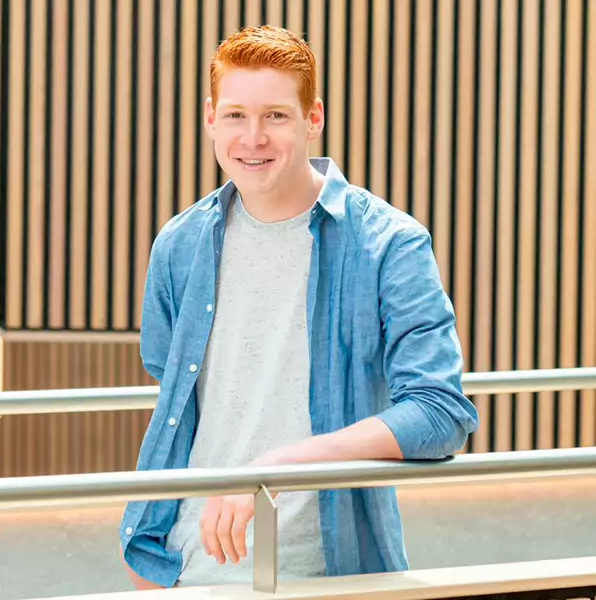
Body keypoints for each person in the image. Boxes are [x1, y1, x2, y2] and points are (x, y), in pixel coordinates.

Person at [119, 25, 479, 590]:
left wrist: (281, 464)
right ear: (211, 118)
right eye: (236, 115)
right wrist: (151, 552)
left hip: (329, 571)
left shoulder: (390, 244)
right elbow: (179, 407)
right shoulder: (180, 243)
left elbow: (440, 412)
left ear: (314, 118)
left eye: (276, 116)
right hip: (187, 568)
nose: (253, 138)